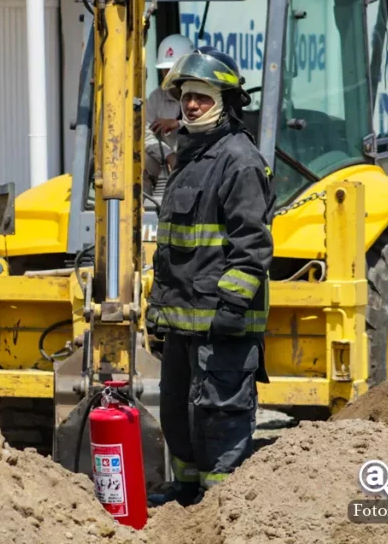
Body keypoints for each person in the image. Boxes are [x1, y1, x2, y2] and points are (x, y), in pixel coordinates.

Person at [146, 48, 275, 507]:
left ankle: (221, 507)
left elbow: (252, 246)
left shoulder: (238, 160)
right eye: (186, 97)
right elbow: (173, 250)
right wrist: (158, 312)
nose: (192, 105)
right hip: (184, 322)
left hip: (222, 325)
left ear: (224, 99)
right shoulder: (190, 157)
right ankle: (184, 496)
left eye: (202, 96)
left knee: (221, 417)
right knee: (178, 415)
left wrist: (232, 308)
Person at [144, 34, 193, 192]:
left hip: (198, 162)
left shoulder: (203, 95)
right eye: (165, 71)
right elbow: (145, 134)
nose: (169, 77)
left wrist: (176, 123)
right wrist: (168, 155)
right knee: (138, 162)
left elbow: (212, 123)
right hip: (164, 166)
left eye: (174, 71)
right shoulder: (156, 98)